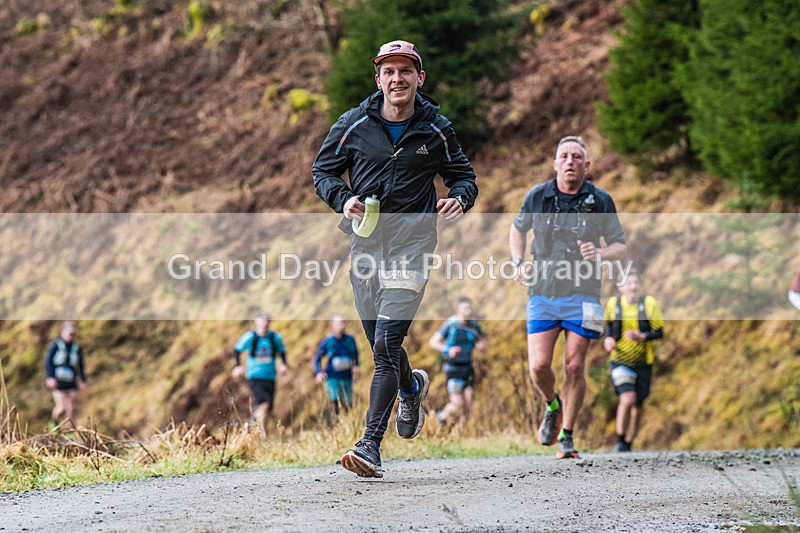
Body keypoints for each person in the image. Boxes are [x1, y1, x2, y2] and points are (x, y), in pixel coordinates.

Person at [313, 40, 478, 478]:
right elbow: (323, 171)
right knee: (378, 344)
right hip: (365, 247)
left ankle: (369, 444)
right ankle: (410, 386)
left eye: (406, 71)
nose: (397, 79)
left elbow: (463, 175)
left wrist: (460, 197)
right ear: (378, 79)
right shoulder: (353, 125)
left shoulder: (435, 129)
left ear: (419, 78)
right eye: (389, 71)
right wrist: (342, 198)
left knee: (387, 344)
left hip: (413, 248)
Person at [509, 135, 626, 459]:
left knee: (574, 366)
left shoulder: (600, 200)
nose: (571, 161)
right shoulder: (538, 196)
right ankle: (552, 404)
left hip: (584, 294)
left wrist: (600, 251)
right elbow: (517, 229)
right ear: (556, 162)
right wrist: (518, 262)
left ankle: (567, 436)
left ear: (586, 166)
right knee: (539, 367)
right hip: (543, 291)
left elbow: (620, 245)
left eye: (577, 157)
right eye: (565, 156)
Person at [603, 268, 664, 452]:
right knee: (627, 398)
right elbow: (608, 326)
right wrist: (608, 339)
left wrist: (643, 336)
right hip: (620, 359)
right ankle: (620, 441)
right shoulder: (614, 304)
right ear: (620, 287)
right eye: (629, 283)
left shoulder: (649, 304)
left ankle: (628, 443)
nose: (633, 286)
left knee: (638, 406)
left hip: (643, 362)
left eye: (636, 282)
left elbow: (659, 332)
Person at [428, 296, 486, 430]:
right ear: (458, 309)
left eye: (470, 307)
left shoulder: (474, 326)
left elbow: (482, 341)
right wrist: (448, 350)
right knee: (458, 403)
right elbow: (433, 342)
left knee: (468, 404)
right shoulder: (450, 324)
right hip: (453, 369)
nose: (468, 310)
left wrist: (481, 347)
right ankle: (441, 417)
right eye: (465, 308)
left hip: (468, 367)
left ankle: (460, 434)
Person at [232, 311, 288, 438]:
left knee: (267, 409)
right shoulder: (250, 337)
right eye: (262, 320)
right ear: (257, 322)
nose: (265, 323)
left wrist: (284, 365)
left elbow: (282, 352)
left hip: (270, 376)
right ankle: (264, 436)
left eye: (267, 320)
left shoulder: (274, 337)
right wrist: (237, 366)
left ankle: (250, 426)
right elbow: (237, 350)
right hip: (254, 376)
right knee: (264, 405)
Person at [314, 315, 360, 415]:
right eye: (339, 323)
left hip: (347, 377)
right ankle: (335, 425)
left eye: (343, 322)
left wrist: (356, 366)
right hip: (332, 377)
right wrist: (319, 372)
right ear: (333, 325)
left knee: (348, 404)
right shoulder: (328, 341)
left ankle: (347, 425)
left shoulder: (350, 340)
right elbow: (317, 358)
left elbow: (355, 355)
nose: (342, 325)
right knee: (335, 403)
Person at [44, 321, 88, 427]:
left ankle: (70, 430)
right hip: (58, 380)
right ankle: (53, 426)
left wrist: (83, 380)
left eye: (73, 334)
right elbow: (48, 362)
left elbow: (81, 365)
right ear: (63, 333)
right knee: (61, 407)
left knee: (72, 407)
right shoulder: (55, 345)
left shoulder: (77, 348)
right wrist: (50, 377)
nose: (71, 336)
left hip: (71, 380)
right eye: (69, 333)